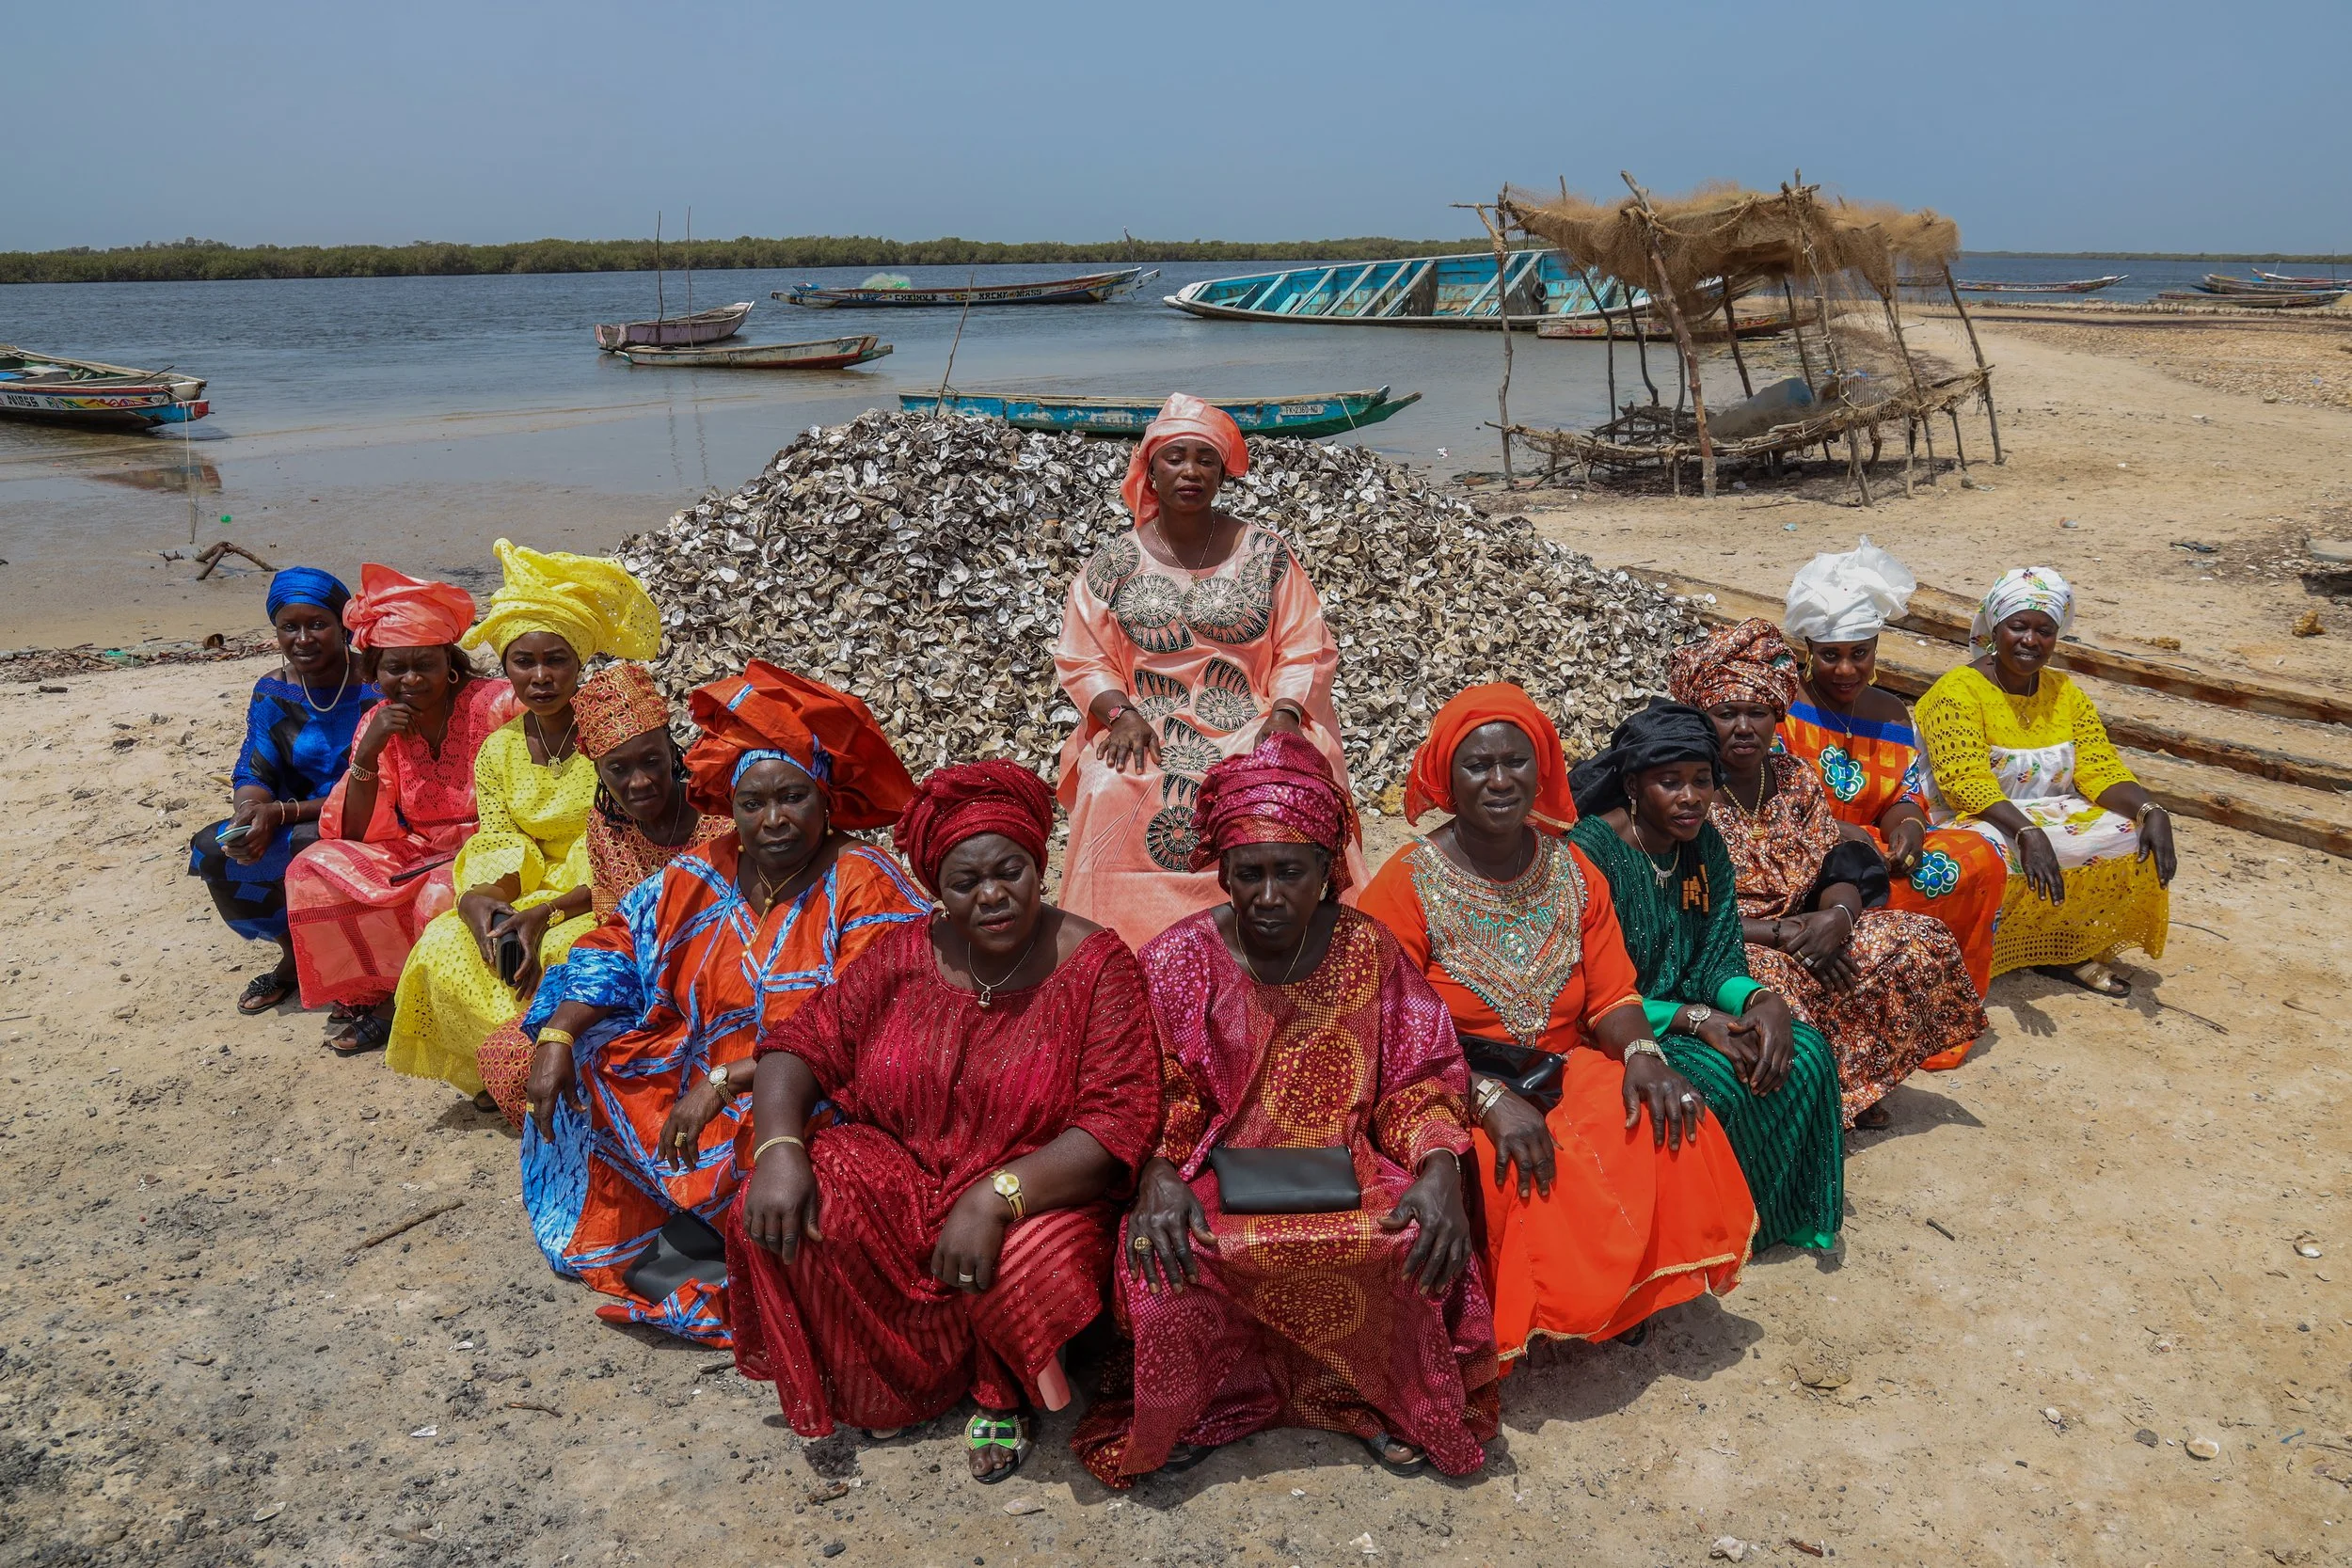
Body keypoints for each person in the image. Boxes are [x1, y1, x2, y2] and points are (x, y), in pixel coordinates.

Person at [1073, 734, 1496, 1487]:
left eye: (1290, 873)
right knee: (1173, 1250)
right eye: (1250, 874)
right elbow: (1150, 1088)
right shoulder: (1176, 958)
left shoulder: (1369, 950)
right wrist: (1157, 1175)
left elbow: (1418, 1076)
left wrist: (1436, 1165)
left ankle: (1364, 1397)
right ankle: (1202, 1405)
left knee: (1409, 1233)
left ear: (1327, 870)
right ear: (1224, 874)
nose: (1269, 895)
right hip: (1212, 1172)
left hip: (1348, 1166)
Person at [726, 761, 1159, 1481]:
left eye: (1010, 872)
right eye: (966, 883)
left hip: (1040, 1191)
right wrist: (778, 1148)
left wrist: (995, 1196)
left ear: (1037, 864)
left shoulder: (1096, 966)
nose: (992, 895)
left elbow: (1117, 1123)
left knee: (1027, 1264)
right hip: (905, 1175)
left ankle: (1010, 1388)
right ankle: (895, 1384)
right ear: (937, 889)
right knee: (791, 1196)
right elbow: (800, 1045)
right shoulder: (905, 953)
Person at [518, 662, 930, 1342]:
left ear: (825, 798)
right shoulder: (706, 869)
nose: (771, 820)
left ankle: (732, 1249)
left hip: (820, 1090)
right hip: (709, 1073)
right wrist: (558, 1035)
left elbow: (866, 1026)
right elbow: (618, 941)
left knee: (802, 1159)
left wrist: (729, 1081)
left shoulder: (863, 882)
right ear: (730, 807)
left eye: (792, 797)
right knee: (594, 1049)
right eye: (751, 803)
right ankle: (687, 1231)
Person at [1356, 686, 1757, 1363]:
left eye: (1516, 762)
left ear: (1541, 769)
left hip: (1563, 1061)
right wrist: (1484, 1098)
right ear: (1446, 776)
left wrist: (1642, 1054)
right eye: (1478, 765)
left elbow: (1612, 994)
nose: (1501, 779)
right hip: (1446, 1075)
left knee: (1659, 1117)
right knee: (1508, 1159)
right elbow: (1387, 1029)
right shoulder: (1404, 882)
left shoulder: (1572, 868)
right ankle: (1539, 1312)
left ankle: (1625, 1294)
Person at [1053, 393, 1361, 950]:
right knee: (1111, 782)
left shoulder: (1265, 553)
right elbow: (1084, 656)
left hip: (1253, 715)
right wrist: (1119, 715)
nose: (1190, 471)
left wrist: (1287, 714)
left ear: (1222, 472)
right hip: (1146, 720)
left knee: (1283, 781)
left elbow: (1304, 643)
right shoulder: (1113, 563)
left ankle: (1292, 939)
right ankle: (1116, 948)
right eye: (1175, 458)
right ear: (1150, 470)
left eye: (1205, 459)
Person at [1668, 622, 1986, 1128]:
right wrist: (1783, 934)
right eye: (1726, 714)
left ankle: (1852, 1084)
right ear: (1702, 719)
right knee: (1770, 985)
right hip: (1727, 940)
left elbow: (1838, 860)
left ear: (1778, 716)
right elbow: (1679, 909)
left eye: (1758, 713)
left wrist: (1838, 916)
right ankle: (1817, 1100)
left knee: (1917, 939)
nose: (1744, 727)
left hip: (1808, 925)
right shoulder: (1684, 792)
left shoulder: (1794, 777)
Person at [1565, 701, 1847, 1251]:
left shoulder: (1702, 846)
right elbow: (1585, 993)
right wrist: (1695, 1020)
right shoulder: (1589, 853)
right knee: (1713, 1088)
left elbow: (1715, 957)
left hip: (1690, 1012)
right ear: (1631, 783)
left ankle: (1767, 1219)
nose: (1691, 797)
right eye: (1670, 782)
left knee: (1803, 1050)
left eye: (1703, 781)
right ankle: (1695, 1240)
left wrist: (1760, 999)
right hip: (1618, 1027)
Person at [387, 540, 661, 1101]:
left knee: (567, 953)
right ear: (505, 666)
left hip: (607, 888)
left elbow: (632, 848)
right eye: (524, 661)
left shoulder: (610, 738)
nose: (540, 676)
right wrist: (487, 901)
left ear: (579, 662)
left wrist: (546, 912)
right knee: (445, 944)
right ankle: (497, 1071)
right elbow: (501, 838)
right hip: (533, 888)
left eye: (556, 660)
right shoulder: (499, 750)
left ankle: (563, 1071)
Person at [473, 662, 731, 1127]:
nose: (639, 782)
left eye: (651, 760)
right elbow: (613, 933)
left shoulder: (721, 817)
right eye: (617, 767)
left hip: (718, 996)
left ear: (671, 748)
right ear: (595, 766)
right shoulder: (606, 829)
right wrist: (565, 1028)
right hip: (636, 990)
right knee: (507, 1057)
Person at [282, 564, 510, 1055]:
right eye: (393, 667)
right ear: (374, 671)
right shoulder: (375, 723)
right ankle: (378, 987)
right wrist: (367, 753)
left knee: (434, 891)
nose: (409, 679)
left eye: (423, 665)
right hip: (422, 847)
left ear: (449, 662)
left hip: (494, 846)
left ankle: (407, 1009)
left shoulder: (493, 704)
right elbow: (359, 830)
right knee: (312, 867)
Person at [1915, 568, 2175, 997]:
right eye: (2018, 627)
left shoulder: (2063, 691)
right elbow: (1964, 779)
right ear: (1995, 627)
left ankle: (2064, 945)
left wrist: (2152, 810)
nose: (2031, 641)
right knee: (1995, 851)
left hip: (2047, 814)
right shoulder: (1957, 691)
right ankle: (1983, 948)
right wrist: (2026, 831)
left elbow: (2098, 765)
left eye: (2045, 631)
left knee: (2130, 831)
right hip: (1970, 814)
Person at [1778, 539, 2007, 1022]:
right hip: (1801, 850)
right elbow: (1768, 800)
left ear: (1876, 648)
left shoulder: (1890, 711)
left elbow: (1903, 795)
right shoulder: (1781, 707)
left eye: (1859, 653)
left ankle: (1932, 1012)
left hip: (1873, 849)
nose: (1846, 669)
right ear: (1808, 652)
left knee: (1980, 856)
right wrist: (1842, 835)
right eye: (1830, 656)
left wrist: (1910, 830)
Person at [189, 567, 377, 1017]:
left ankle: (359, 974)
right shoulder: (273, 690)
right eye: (288, 627)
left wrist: (278, 814)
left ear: (342, 624)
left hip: (370, 814)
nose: (303, 638)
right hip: (292, 813)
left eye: (317, 624)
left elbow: (383, 779)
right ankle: (294, 955)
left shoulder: (374, 683)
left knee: (314, 850)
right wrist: (251, 812)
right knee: (214, 849)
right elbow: (253, 766)